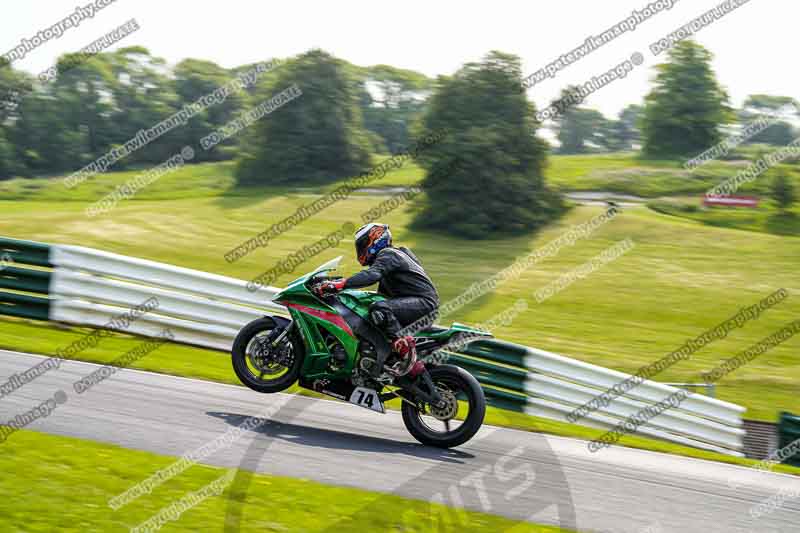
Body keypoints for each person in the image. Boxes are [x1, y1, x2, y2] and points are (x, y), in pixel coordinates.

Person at [314, 223, 439, 374]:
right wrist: (333, 282)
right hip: (416, 302)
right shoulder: (394, 257)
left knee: (380, 307)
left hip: (423, 303)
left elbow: (372, 275)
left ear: (375, 239)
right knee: (372, 309)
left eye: (362, 245)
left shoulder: (389, 254)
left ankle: (406, 352)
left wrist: (340, 284)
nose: (360, 250)